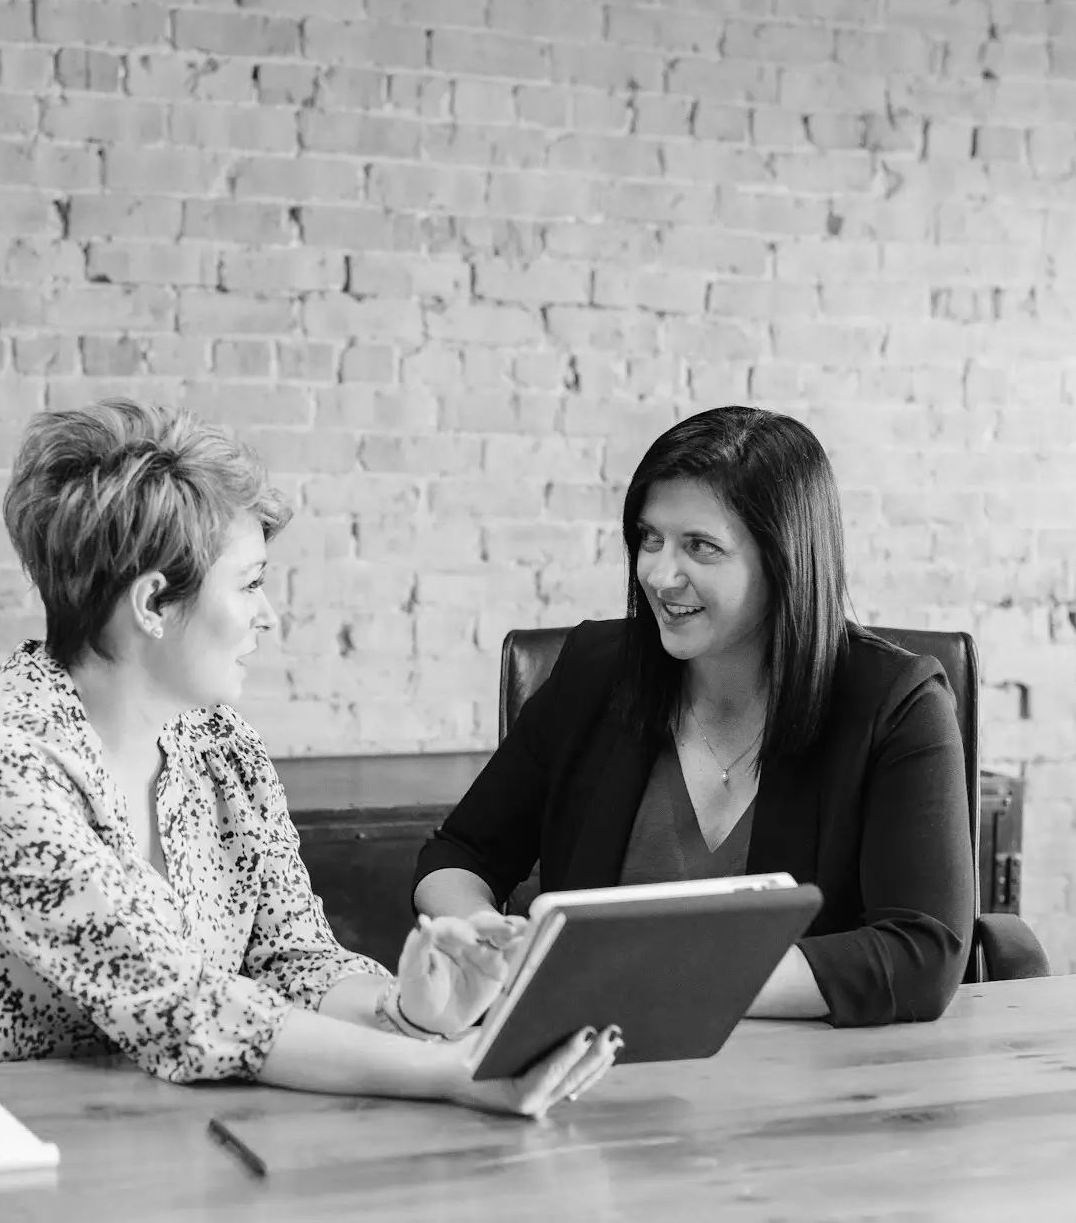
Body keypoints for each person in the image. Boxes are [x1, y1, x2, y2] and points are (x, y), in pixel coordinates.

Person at [0, 399, 616, 1116]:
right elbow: (182, 1007)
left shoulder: (218, 745)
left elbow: (292, 959)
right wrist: (454, 1072)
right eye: (250, 586)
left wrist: (410, 1014)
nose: (269, 617)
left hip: (132, 1128)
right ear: (152, 604)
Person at [413, 406, 975, 1027]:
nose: (658, 573)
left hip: (806, 1082)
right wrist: (485, 936)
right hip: (591, 1069)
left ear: (784, 558)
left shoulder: (897, 702)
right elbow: (459, 853)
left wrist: (646, 980)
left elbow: (923, 954)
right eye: (650, 538)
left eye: (700, 547)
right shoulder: (596, 672)